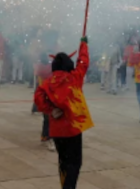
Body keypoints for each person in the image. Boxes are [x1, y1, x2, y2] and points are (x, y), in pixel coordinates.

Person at [34, 37, 93, 189]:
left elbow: (38, 97)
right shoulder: (74, 78)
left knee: (63, 161)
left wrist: (50, 110)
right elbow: (83, 62)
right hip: (72, 129)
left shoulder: (48, 82)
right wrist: (83, 45)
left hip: (56, 130)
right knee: (74, 163)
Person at [33, 52, 55, 151]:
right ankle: (48, 139)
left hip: (44, 95)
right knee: (49, 118)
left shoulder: (40, 67)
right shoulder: (46, 69)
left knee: (47, 119)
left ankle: (45, 137)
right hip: (47, 95)